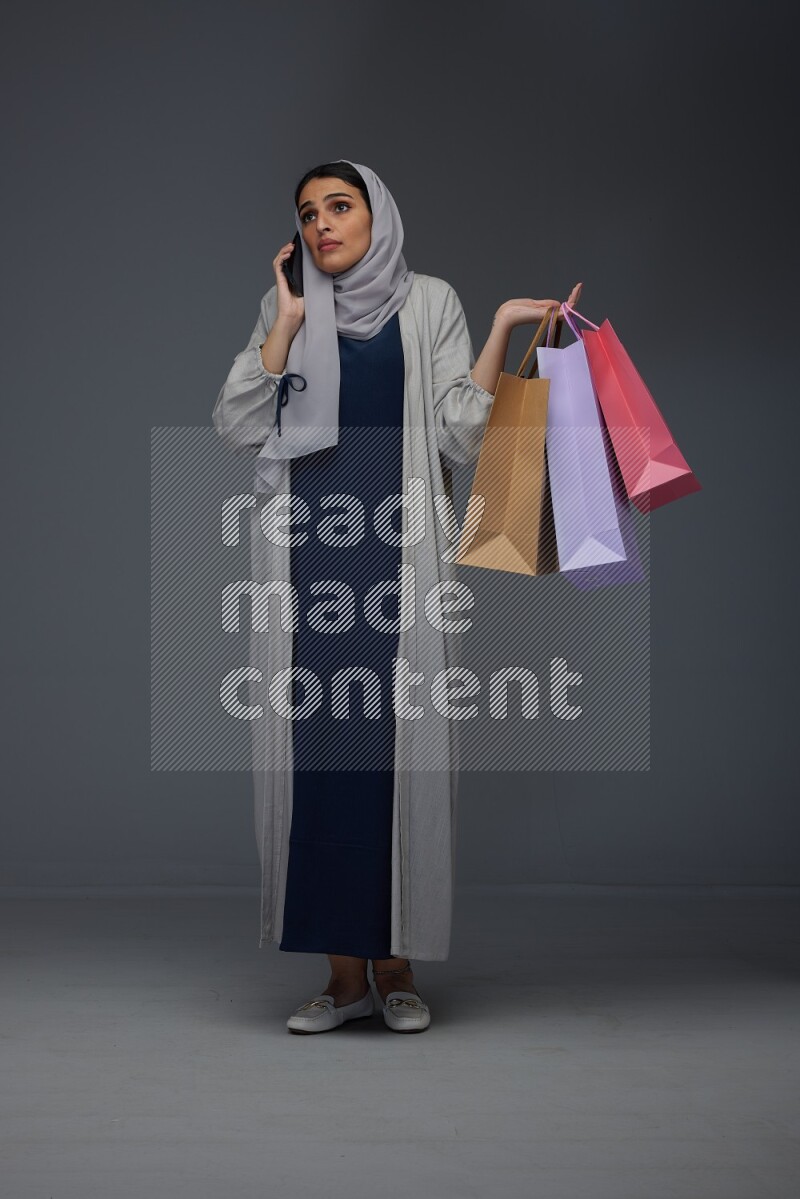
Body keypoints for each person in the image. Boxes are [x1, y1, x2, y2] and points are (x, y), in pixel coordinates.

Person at [213, 159, 581, 1034]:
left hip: (400, 563)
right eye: (308, 213)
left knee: (396, 761)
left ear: (377, 213)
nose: (322, 225)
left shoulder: (430, 302)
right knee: (323, 762)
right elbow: (235, 424)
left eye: (339, 206)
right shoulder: (288, 308)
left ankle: (398, 964)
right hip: (309, 566)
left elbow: (459, 434)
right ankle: (343, 978)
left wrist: (497, 328)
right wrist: (289, 321)